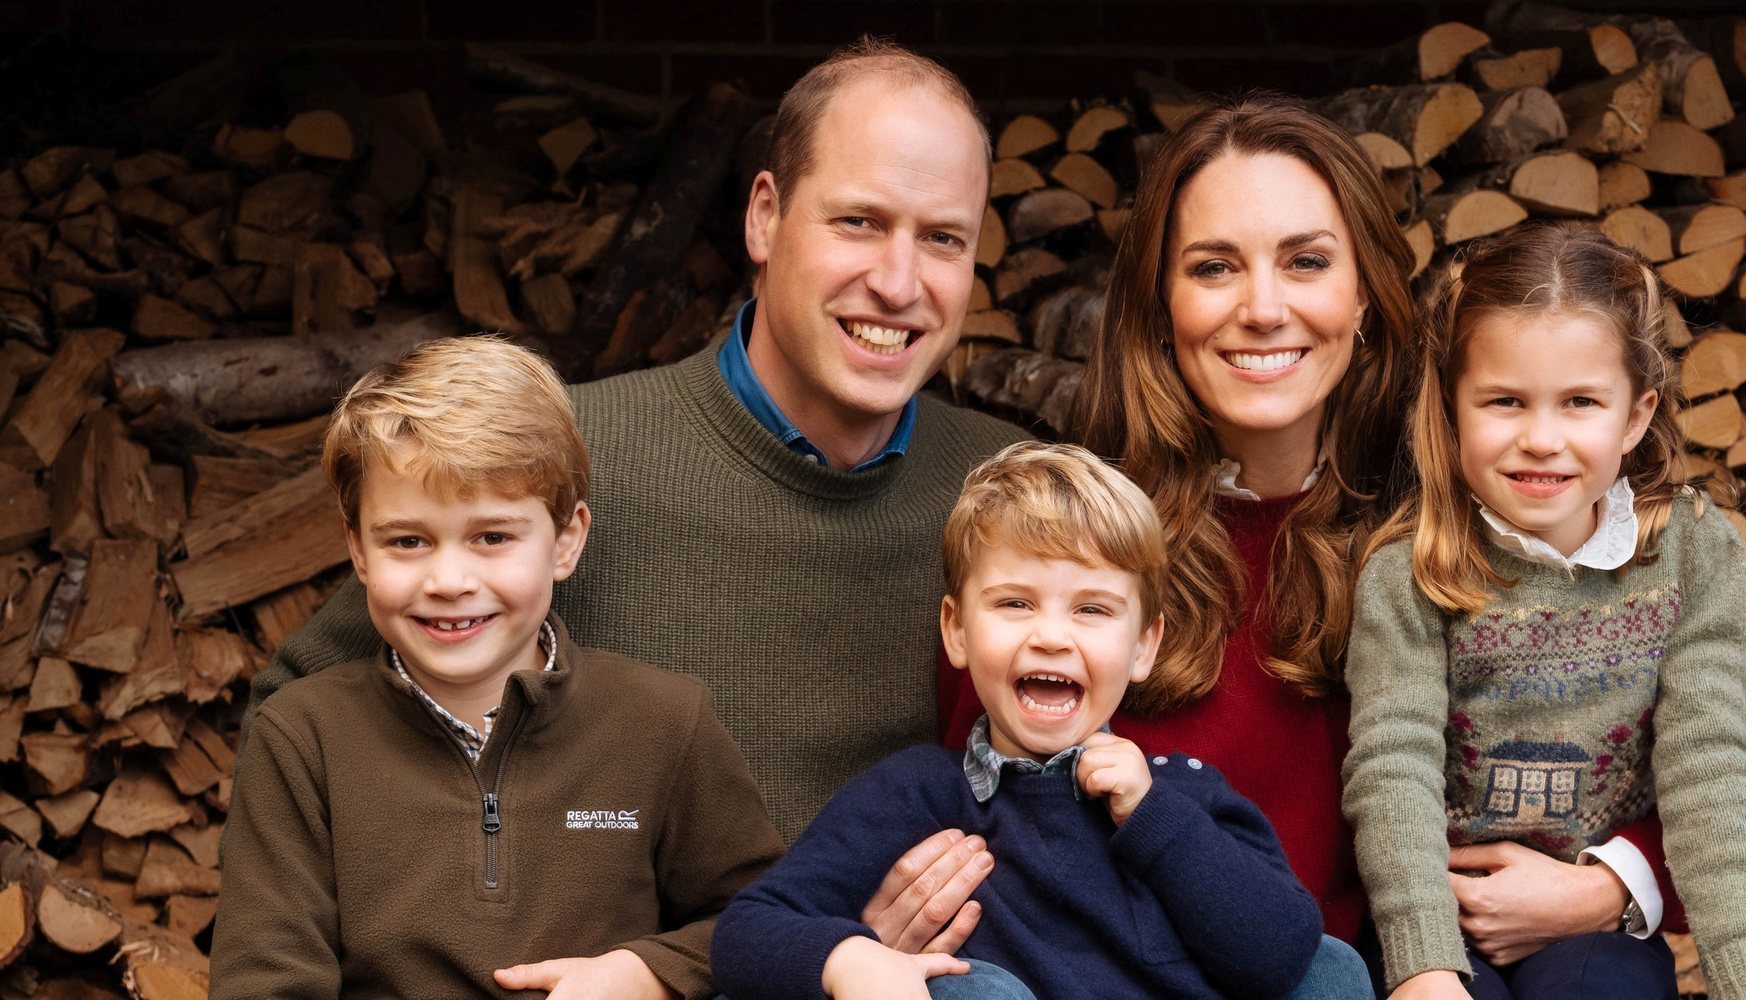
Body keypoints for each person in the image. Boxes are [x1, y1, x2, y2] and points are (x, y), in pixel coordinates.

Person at [935, 95, 1746, 972]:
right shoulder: (1078, 535)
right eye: (1215, 267)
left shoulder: (1463, 518)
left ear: (1367, 291)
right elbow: (973, 782)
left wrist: (1605, 886)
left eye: (1305, 261)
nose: (1263, 309)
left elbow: (1726, 761)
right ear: (1160, 303)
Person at [249, 38, 1028, 851]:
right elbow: (289, 721)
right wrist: (497, 905)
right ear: (765, 216)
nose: (899, 284)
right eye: (859, 222)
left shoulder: (1013, 497)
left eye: (943, 239)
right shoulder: (563, 459)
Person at [211, 337, 785, 999]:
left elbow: (760, 920)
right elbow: (263, 981)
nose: (449, 580)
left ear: (566, 540)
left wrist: (647, 972)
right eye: (407, 541)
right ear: (358, 551)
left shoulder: (664, 723)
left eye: (492, 537)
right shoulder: (302, 737)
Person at [1341, 225, 1746, 1000]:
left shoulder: (1694, 553)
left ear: (1635, 417)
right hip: (1437, 915)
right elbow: (1392, 768)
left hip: (1587, 925)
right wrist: (1423, 963)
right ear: (1453, 409)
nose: (1541, 438)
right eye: (1504, 401)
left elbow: (1710, 761)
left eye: (1581, 403)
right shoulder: (1412, 569)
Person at [712, 442, 1369, 1000]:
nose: (1052, 636)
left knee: (1332, 968)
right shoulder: (919, 795)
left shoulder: (1181, 795)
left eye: (1092, 610)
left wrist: (1154, 819)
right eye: (1016, 603)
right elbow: (748, 931)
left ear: (1144, 646)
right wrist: (851, 958)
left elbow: (1283, 955)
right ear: (957, 631)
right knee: (972, 991)